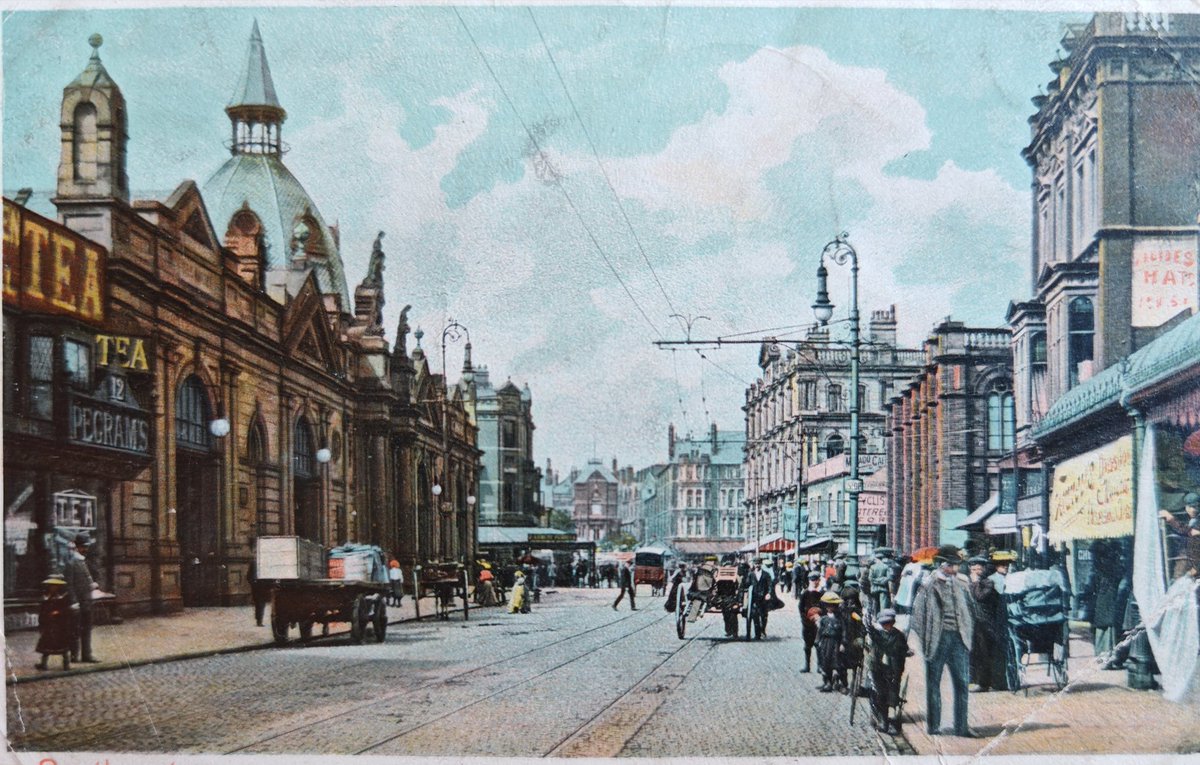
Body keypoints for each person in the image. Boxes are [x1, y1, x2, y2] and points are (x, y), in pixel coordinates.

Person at [911, 545, 977, 737]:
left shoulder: (962, 584)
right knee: (933, 684)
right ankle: (934, 727)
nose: (955, 569)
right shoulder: (927, 586)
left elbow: (970, 611)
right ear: (941, 564)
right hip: (937, 640)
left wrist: (967, 632)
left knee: (962, 683)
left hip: (959, 639)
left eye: (957, 565)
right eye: (952, 565)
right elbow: (917, 617)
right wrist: (927, 639)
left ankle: (961, 727)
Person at [867, 608, 911, 733]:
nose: (887, 626)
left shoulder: (898, 635)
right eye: (884, 624)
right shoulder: (877, 635)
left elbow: (904, 649)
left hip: (893, 671)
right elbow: (872, 649)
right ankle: (883, 720)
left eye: (889, 623)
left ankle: (890, 720)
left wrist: (906, 652)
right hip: (879, 669)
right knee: (880, 694)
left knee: (892, 695)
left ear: (893, 622)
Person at [967, 555, 1005, 692]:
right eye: (973, 569)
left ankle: (989, 683)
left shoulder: (989, 582)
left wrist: (975, 582)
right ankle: (980, 682)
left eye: (978, 568)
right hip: (976, 622)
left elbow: (980, 596)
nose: (976, 571)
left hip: (988, 623)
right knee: (977, 653)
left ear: (984, 569)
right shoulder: (970, 583)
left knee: (986, 653)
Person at [64, 532, 101, 663]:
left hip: (87, 601)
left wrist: (91, 585)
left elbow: (85, 580)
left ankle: (87, 655)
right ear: (78, 547)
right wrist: (73, 602)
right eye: (84, 547)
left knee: (87, 629)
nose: (86, 549)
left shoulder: (84, 561)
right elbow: (69, 584)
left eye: (87, 546)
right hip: (78, 603)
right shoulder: (71, 563)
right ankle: (75, 655)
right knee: (75, 630)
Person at [35, 575, 74, 671]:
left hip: (60, 625)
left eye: (55, 585)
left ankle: (66, 664)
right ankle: (43, 664)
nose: (53, 587)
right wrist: (42, 622)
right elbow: (42, 611)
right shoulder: (46, 597)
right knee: (46, 645)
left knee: (63, 645)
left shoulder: (63, 597)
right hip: (49, 625)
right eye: (51, 585)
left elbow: (67, 610)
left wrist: (58, 612)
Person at [816, 591, 844, 692]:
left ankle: (837, 682)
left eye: (832, 606)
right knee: (825, 661)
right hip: (825, 641)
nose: (830, 608)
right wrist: (817, 641)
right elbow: (819, 631)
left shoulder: (839, 618)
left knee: (835, 661)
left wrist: (842, 643)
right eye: (828, 606)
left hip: (835, 642)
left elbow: (843, 632)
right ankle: (826, 681)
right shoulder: (823, 618)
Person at [799, 571, 824, 672]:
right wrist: (805, 619)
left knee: (818, 645)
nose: (814, 582)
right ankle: (807, 665)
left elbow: (825, 608)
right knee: (807, 645)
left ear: (819, 580)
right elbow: (801, 608)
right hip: (807, 624)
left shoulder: (822, 593)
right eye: (812, 580)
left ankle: (819, 666)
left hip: (818, 623)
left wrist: (820, 618)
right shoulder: (805, 593)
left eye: (815, 579)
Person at [743, 557, 773, 640]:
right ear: (754, 564)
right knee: (755, 616)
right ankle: (757, 634)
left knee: (764, 616)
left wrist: (769, 593)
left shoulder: (766, 574)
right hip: (754, 598)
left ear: (761, 564)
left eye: (758, 564)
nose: (757, 565)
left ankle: (763, 630)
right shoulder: (751, 574)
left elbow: (770, 585)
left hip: (763, 598)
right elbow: (747, 584)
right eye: (755, 564)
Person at [248, 559, 271, 627]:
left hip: (262, 587)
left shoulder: (263, 562)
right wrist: (253, 583)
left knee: (260, 604)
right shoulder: (254, 562)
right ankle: (259, 620)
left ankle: (259, 620)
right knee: (259, 604)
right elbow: (249, 575)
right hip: (257, 587)